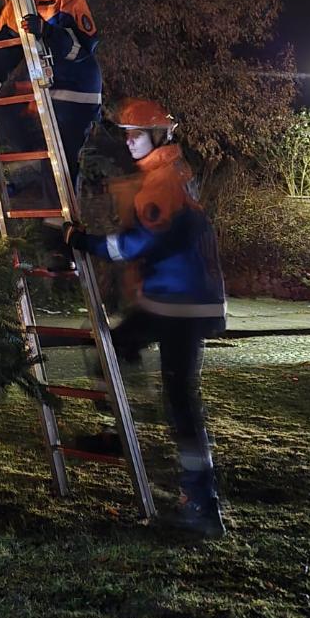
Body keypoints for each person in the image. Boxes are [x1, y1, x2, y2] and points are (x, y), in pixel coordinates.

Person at [64, 97, 227, 538]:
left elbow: (134, 246)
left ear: (158, 136)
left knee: (180, 402)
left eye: (137, 134)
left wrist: (84, 242)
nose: (130, 140)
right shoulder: (165, 173)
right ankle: (121, 428)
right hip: (168, 301)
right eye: (127, 134)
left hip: (181, 306)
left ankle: (202, 504)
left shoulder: (163, 184)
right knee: (111, 351)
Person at [0, 0, 102, 200]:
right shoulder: (14, 8)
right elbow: (3, 58)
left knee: (63, 158)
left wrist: (47, 31)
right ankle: (21, 182)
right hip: (46, 89)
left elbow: (83, 48)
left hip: (77, 91)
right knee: (9, 116)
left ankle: (65, 223)